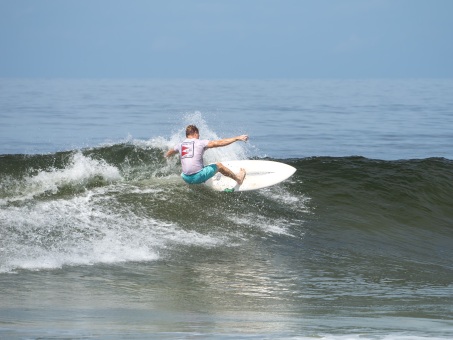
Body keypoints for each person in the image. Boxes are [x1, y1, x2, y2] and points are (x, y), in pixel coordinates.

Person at [165, 125, 248, 185]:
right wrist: (236, 138)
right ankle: (238, 179)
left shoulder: (180, 145)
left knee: (201, 165)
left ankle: (201, 178)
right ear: (194, 132)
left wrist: (166, 157)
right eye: (198, 134)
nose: (199, 136)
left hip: (185, 177)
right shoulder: (200, 143)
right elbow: (219, 143)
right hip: (197, 177)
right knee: (219, 165)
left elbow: (170, 152)